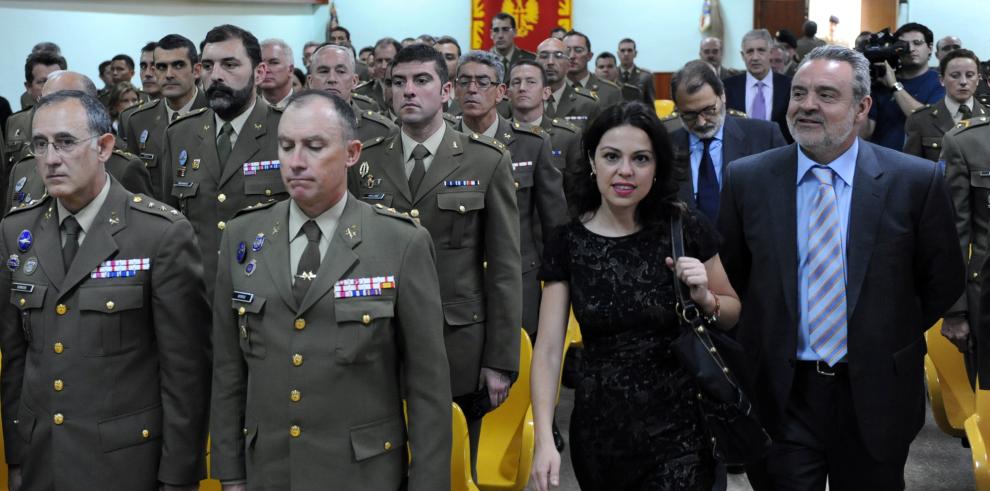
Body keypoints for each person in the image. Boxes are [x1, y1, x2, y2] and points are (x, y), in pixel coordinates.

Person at [718, 45, 965, 489]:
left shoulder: (914, 182)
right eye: (799, 93)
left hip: (875, 390)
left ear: (862, 107)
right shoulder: (748, 179)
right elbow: (736, 277)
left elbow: (941, 281)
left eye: (826, 95)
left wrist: (880, 329)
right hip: (782, 393)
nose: (807, 105)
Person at [210, 89, 451, 490]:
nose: (297, 161)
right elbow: (228, 370)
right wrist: (230, 472)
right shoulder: (243, 234)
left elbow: (428, 385)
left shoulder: (398, 242)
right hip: (270, 469)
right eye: (286, 146)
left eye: (315, 146)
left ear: (352, 152)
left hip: (362, 471)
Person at [0, 89, 210, 491]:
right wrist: (16, 456)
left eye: (65, 142)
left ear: (104, 146)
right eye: (40, 145)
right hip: (42, 456)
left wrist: (179, 476)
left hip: (126, 462)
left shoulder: (158, 234)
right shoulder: (16, 231)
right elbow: (15, 360)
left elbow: (185, 373)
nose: (50, 158)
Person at [530, 101, 741, 491]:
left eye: (640, 159)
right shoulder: (568, 241)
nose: (625, 171)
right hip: (601, 433)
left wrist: (705, 298)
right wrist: (544, 437)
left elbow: (730, 312)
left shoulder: (683, 226)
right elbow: (546, 350)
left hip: (683, 430)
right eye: (612, 157)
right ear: (592, 161)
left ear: (657, 167)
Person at [346, 43, 521, 475]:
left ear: (445, 91)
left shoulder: (486, 159)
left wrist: (500, 360)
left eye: (421, 81)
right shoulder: (364, 160)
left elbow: (503, 269)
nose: (408, 91)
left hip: (456, 343)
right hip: (378, 342)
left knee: (451, 468)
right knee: (380, 468)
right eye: (398, 82)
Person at [161, 24, 286, 300]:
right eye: (207, 66)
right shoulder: (180, 134)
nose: (215, 76)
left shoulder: (286, 131)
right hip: (197, 297)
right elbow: (168, 224)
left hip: (267, 296)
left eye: (229, 65)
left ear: (259, 72)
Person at [453, 50, 567, 336]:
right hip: (455, 282)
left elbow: (553, 224)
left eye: (482, 82)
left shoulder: (532, 144)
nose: (472, 89)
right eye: (464, 82)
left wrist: (556, 284)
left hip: (519, 278)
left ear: (501, 91)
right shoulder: (442, 141)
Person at [6, 70, 154, 212]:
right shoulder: (23, 169)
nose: (53, 110)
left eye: (64, 102)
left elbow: (140, 225)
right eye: (45, 102)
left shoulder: (123, 167)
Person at [668, 60, 786, 223]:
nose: (701, 122)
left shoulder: (765, 137)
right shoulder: (665, 147)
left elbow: (785, 200)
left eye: (709, 110)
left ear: (722, 95)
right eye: (689, 115)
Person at [123, 34, 208, 201]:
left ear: (196, 70)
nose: (169, 74)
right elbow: (133, 185)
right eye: (162, 67)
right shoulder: (139, 120)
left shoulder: (215, 113)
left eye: (178, 65)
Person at [507, 60, 583, 197]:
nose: (522, 88)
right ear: (508, 94)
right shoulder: (495, 134)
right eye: (516, 82)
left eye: (531, 82)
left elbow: (577, 193)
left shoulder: (567, 137)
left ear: (546, 93)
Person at [865, 22, 945, 151]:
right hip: (881, 159)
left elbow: (927, 120)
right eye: (903, 45)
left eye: (917, 43)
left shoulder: (940, 81)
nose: (911, 49)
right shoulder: (880, 80)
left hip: (918, 163)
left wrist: (894, 85)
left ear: (929, 48)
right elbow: (865, 132)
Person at [905, 49, 988, 162]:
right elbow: (912, 170)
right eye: (955, 76)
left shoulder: (987, 116)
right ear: (942, 79)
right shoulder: (920, 120)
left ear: (978, 79)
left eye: (969, 75)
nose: (963, 81)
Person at [307, 43, 396, 142]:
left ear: (354, 81)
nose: (332, 79)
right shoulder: (293, 125)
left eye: (340, 71)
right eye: (323, 71)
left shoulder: (382, 131)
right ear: (310, 81)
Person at [724, 29, 793, 142]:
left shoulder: (789, 86)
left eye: (761, 50)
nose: (755, 57)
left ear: (770, 53)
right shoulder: (727, 86)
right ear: (742, 55)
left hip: (780, 154)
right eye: (750, 51)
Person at [6, 51, 67, 170]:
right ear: (28, 87)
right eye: (42, 82)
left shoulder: (82, 120)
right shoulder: (15, 122)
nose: (51, 86)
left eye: (56, 79)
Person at [537, 37, 599, 128]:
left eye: (558, 56)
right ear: (535, 62)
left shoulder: (586, 104)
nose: (550, 62)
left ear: (569, 64)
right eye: (544, 56)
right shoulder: (522, 100)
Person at [564, 31, 621, 108]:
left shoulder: (610, 91)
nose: (571, 56)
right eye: (567, 51)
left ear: (589, 56)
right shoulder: (550, 90)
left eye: (578, 50)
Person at [354, 37, 401, 112]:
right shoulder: (361, 93)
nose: (383, 66)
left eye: (388, 60)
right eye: (379, 61)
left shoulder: (409, 90)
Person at [490, 12, 535, 83]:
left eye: (505, 29)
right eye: (496, 30)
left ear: (515, 32)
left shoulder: (531, 60)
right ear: (491, 34)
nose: (500, 35)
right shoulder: (481, 61)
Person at [616, 38, 655, 104]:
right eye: (622, 50)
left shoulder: (646, 76)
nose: (626, 54)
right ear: (618, 54)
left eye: (629, 50)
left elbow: (650, 105)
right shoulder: (612, 74)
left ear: (635, 53)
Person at [259, 39, 295, 109]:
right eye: (260, 63)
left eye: (274, 63)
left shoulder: (308, 107)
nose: (265, 70)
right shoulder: (246, 109)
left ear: (290, 70)